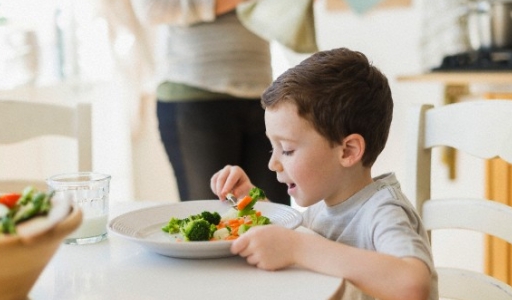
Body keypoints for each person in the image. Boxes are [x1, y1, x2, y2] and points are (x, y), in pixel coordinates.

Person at [210, 48, 439, 300]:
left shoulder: (384, 211)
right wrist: (249, 199)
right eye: (272, 147)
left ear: (348, 151)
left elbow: (413, 285)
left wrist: (297, 248)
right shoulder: (322, 209)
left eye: (286, 149)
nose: (273, 163)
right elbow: (286, 238)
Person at [130, 0, 290, 204]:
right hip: (195, 95)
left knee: (276, 214)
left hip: (262, 94)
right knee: (213, 215)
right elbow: (153, 9)